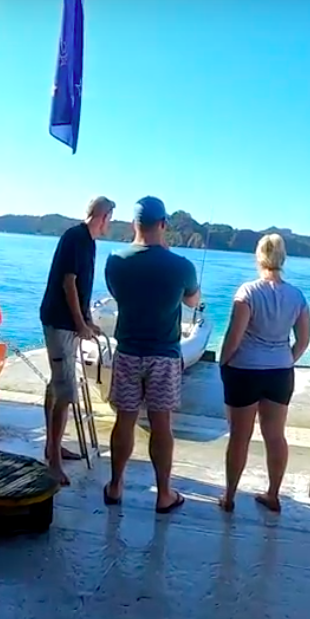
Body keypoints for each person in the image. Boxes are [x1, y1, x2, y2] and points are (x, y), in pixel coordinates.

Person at [102, 196, 200, 514]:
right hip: (164, 355)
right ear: (163, 225)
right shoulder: (181, 266)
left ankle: (116, 486)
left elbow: (118, 295)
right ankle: (164, 494)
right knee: (162, 426)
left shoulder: (115, 260)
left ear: (134, 224)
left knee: (124, 421)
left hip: (129, 351)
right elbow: (191, 301)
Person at [217, 233, 310, 514]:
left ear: (259, 257)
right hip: (280, 374)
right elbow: (304, 340)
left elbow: (233, 338)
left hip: (245, 371)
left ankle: (230, 496)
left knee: (239, 437)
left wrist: (224, 364)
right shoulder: (297, 296)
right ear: (282, 259)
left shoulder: (248, 292)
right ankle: (273, 495)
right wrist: (285, 360)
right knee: (275, 436)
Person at [39, 195, 115, 485]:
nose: (110, 224)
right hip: (59, 322)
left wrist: (88, 320)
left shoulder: (89, 242)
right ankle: (54, 463)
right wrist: (79, 323)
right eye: (110, 218)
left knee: (56, 384)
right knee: (66, 390)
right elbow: (67, 282)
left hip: (68, 321)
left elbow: (81, 286)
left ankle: (52, 446)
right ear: (103, 216)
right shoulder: (75, 237)